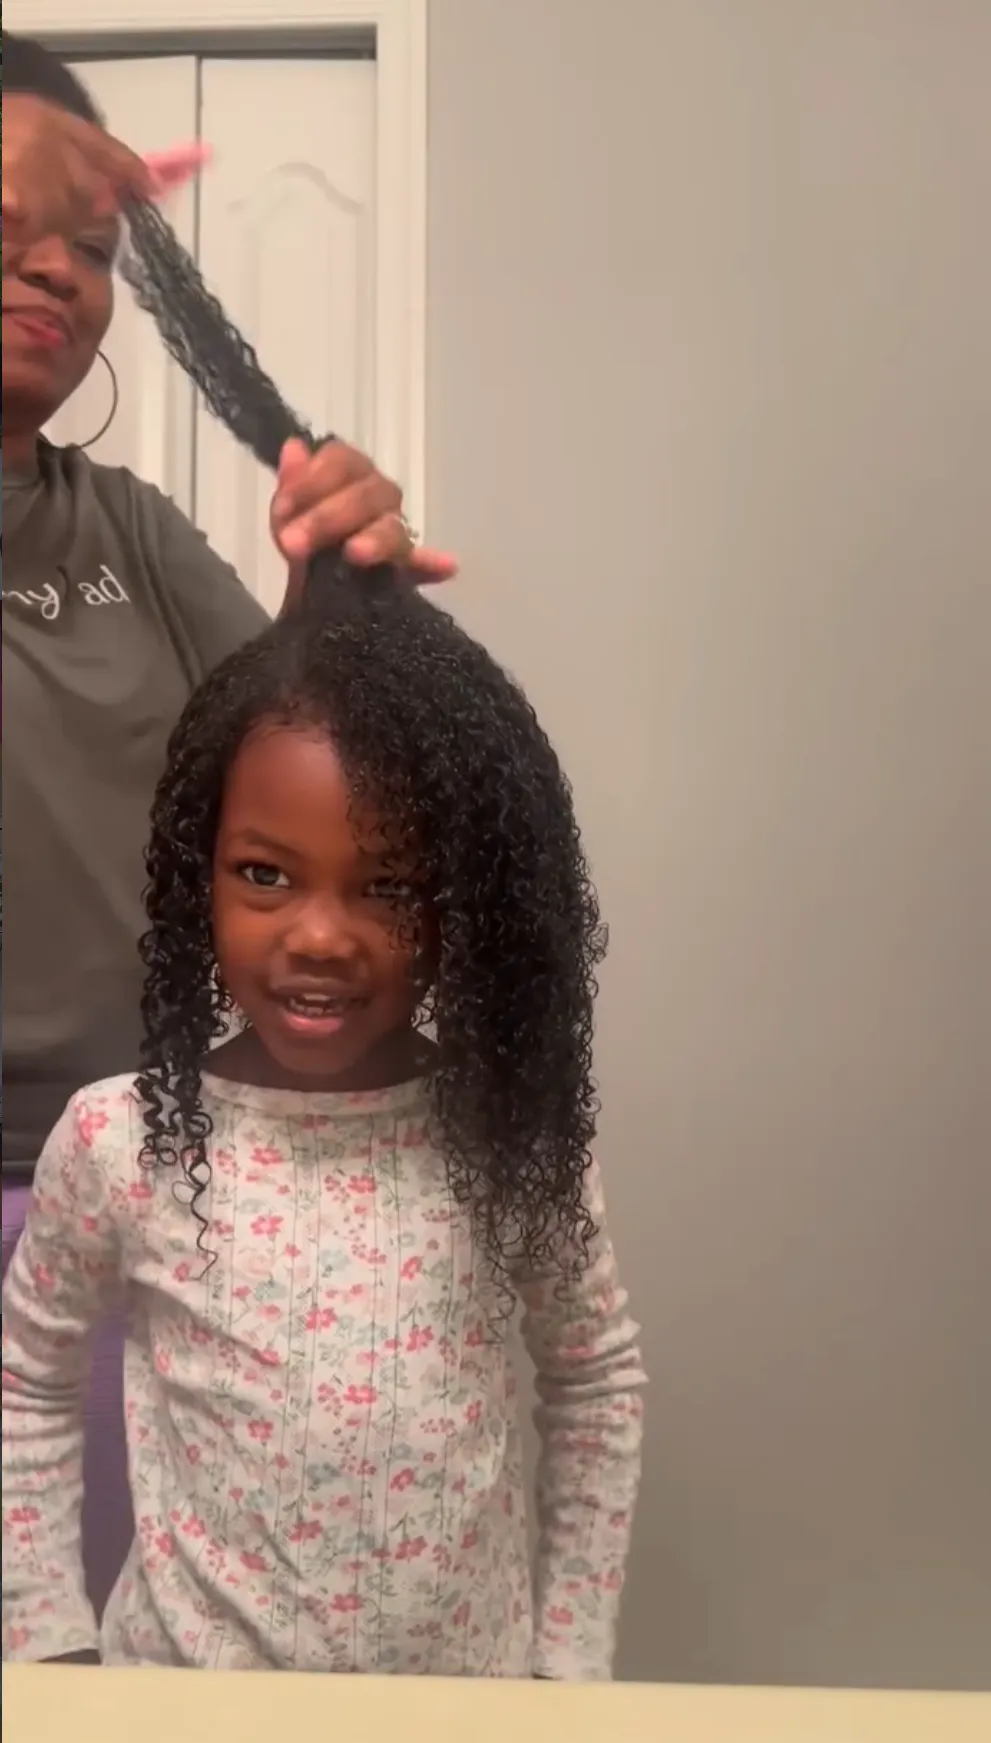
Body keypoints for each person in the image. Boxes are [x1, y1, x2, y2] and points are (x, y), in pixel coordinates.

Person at [1, 562, 646, 1677]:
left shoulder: (510, 1141)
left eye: (388, 887)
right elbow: (28, 1380)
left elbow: (594, 1382)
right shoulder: (123, 1141)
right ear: (196, 877)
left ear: (466, 904)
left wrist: (565, 1669)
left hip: (463, 1706)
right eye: (265, 874)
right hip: (177, 1706)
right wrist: (43, 1635)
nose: (319, 936)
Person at [2, 31, 456, 1612]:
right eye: (9, 226)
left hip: (142, 1194)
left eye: (91, 246)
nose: (56, 272)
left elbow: (305, 780)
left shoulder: (125, 529)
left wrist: (353, 584)